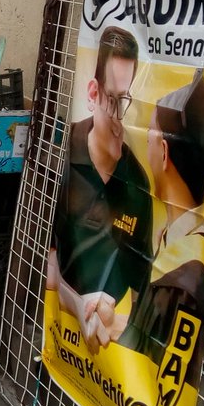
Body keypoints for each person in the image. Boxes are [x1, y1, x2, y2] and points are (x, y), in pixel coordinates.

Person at [47, 26, 154, 353]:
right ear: (92, 94)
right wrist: (77, 303)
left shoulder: (138, 185)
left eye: (128, 100)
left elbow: (140, 298)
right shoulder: (61, 152)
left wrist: (114, 323)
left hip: (106, 360)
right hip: (54, 336)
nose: (122, 115)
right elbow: (40, 257)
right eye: (114, 99)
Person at [120, 71, 204, 383]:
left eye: (149, 135)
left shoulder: (187, 274)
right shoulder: (172, 240)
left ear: (165, 153)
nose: (145, 143)